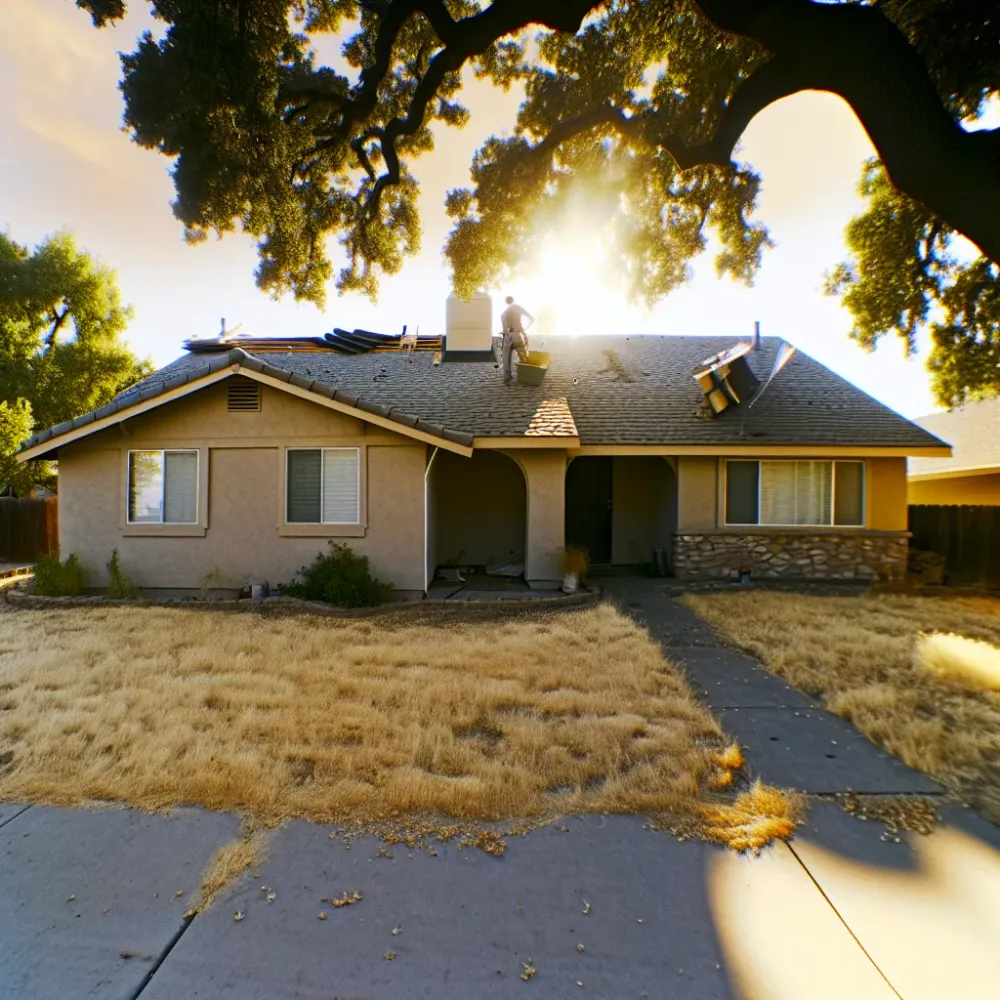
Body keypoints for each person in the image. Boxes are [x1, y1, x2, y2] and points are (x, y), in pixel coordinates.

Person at [499, 296, 534, 384]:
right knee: (523, 355)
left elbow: (504, 329)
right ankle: (528, 376)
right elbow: (532, 319)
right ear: (513, 301)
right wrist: (524, 329)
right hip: (517, 334)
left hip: (507, 336)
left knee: (506, 358)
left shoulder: (504, 314)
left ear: (506, 302)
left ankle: (507, 377)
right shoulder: (518, 308)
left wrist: (505, 333)